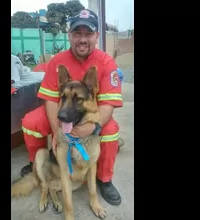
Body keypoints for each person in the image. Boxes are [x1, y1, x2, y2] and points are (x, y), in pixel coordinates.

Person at [20, 9, 123, 206]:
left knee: (110, 130)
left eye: (88, 34)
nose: (82, 39)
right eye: (77, 33)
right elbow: (50, 99)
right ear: (69, 35)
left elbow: (108, 103)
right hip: (63, 107)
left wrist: (93, 127)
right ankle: (38, 164)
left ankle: (104, 178)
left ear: (97, 36)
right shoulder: (58, 61)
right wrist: (56, 131)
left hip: (92, 112)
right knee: (31, 122)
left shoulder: (105, 62)